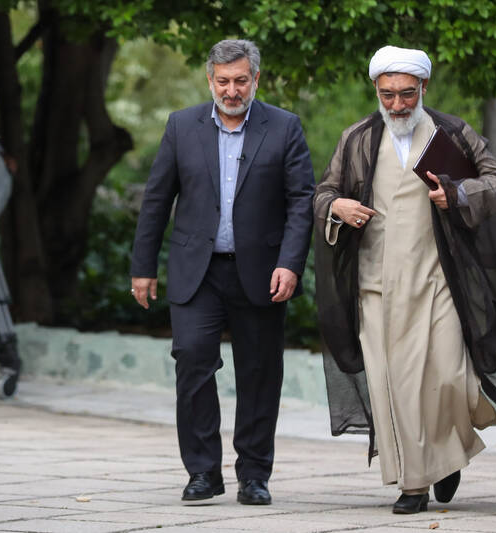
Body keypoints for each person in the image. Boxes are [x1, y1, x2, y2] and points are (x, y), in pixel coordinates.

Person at [313, 45, 496, 514]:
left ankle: (445, 456)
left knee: (448, 379)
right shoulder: (357, 138)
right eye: (387, 95)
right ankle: (416, 483)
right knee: (393, 386)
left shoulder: (453, 133)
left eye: (406, 93)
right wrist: (336, 206)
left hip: (439, 281)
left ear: (424, 87)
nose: (397, 104)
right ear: (376, 90)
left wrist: (459, 193)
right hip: (376, 285)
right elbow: (324, 192)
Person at [130, 39, 314, 505]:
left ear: (256, 79)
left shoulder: (285, 127)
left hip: (262, 272)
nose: (232, 91)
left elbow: (301, 202)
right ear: (210, 79)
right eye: (223, 81)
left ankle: (254, 475)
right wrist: (143, 267)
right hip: (198, 272)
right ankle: (202, 472)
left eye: (241, 81)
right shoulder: (181, 126)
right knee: (192, 360)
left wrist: (290, 263)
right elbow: (157, 200)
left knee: (260, 373)